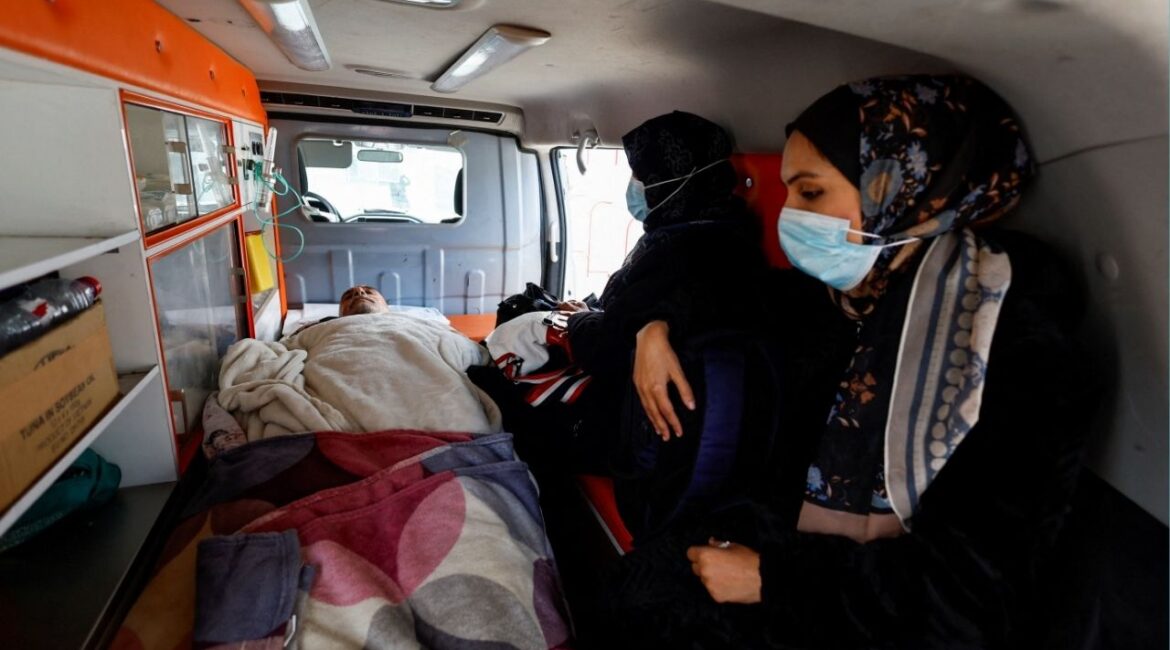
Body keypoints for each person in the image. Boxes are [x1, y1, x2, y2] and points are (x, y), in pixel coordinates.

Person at [604, 74, 1093, 649]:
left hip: (867, 609)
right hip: (791, 541)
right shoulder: (858, 290)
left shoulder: (1008, 334)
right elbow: (738, 294)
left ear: (898, 187)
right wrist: (656, 328)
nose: (789, 217)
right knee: (628, 589)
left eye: (810, 194)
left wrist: (772, 578)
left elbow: (973, 596)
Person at [472, 110, 769, 473]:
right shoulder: (698, 229)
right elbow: (633, 310)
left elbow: (611, 344)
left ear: (672, 181)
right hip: (616, 387)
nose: (634, 185)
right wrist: (590, 309)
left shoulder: (690, 249)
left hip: (618, 418)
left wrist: (578, 319)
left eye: (641, 176)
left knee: (485, 384)